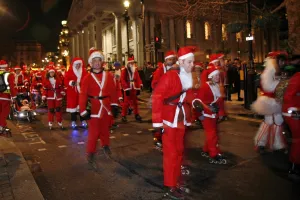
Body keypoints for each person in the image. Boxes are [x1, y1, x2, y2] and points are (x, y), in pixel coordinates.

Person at [152, 46, 203, 199]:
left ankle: (177, 180)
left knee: (179, 150)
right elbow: (157, 98)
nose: (192, 65)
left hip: (181, 119)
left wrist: (198, 104)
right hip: (168, 120)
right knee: (170, 153)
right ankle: (170, 185)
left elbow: (188, 97)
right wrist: (157, 124)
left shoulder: (187, 76)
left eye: (192, 62)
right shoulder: (169, 77)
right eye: (189, 62)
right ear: (181, 61)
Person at [79, 48, 119, 171]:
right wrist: (83, 110)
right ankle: (90, 152)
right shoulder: (87, 78)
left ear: (102, 62)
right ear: (91, 63)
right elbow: (83, 94)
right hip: (94, 107)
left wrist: (115, 105)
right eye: (94, 60)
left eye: (99, 60)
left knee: (105, 129)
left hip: (106, 106)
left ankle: (105, 145)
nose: (97, 62)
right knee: (94, 132)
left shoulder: (108, 75)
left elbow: (113, 91)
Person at [252, 51, 288, 153]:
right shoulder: (270, 70)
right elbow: (268, 86)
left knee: (277, 121)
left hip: (276, 100)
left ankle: (276, 144)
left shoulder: (276, 70)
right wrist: (281, 83)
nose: (283, 63)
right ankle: (261, 143)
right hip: (270, 100)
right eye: (281, 61)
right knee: (270, 122)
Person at [194, 65, 227, 164]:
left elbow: (220, 101)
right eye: (216, 75)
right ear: (211, 76)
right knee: (212, 134)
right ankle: (213, 153)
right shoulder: (205, 86)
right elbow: (197, 102)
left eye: (218, 75)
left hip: (214, 114)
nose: (218, 77)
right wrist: (199, 115)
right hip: (206, 114)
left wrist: (221, 113)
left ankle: (206, 149)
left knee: (212, 133)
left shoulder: (216, 86)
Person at [282, 59, 300, 179]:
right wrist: (295, 110)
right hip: (294, 112)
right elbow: (288, 96)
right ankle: (294, 168)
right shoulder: (297, 77)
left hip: (293, 110)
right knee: (298, 140)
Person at [64, 57, 88, 129]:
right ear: (74, 65)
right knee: (73, 107)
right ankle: (73, 121)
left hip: (81, 92)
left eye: (79, 64)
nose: (78, 66)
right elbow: (65, 80)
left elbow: (87, 80)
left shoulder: (84, 71)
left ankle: (83, 120)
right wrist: (71, 82)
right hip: (72, 92)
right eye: (76, 64)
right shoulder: (70, 71)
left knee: (82, 106)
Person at [120, 56, 143, 122]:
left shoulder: (135, 70)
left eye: (133, 63)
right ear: (128, 63)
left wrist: (139, 87)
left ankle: (136, 114)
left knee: (135, 102)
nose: (132, 64)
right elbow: (122, 79)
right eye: (131, 63)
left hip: (134, 88)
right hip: (128, 88)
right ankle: (123, 115)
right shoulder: (124, 70)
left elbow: (138, 78)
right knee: (126, 103)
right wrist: (126, 88)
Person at [0, 60, 17, 136]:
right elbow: (12, 87)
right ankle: (2, 127)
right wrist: (14, 96)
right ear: (6, 66)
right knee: (4, 113)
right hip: (5, 97)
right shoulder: (9, 75)